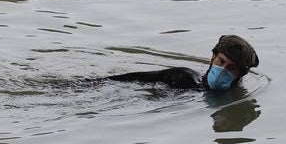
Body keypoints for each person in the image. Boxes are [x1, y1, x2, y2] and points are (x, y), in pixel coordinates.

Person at [108, 34, 260, 92]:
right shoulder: (184, 77)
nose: (222, 69)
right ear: (213, 57)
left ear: (241, 74)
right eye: (221, 61)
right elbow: (137, 78)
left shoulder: (233, 94)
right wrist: (101, 82)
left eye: (231, 68)